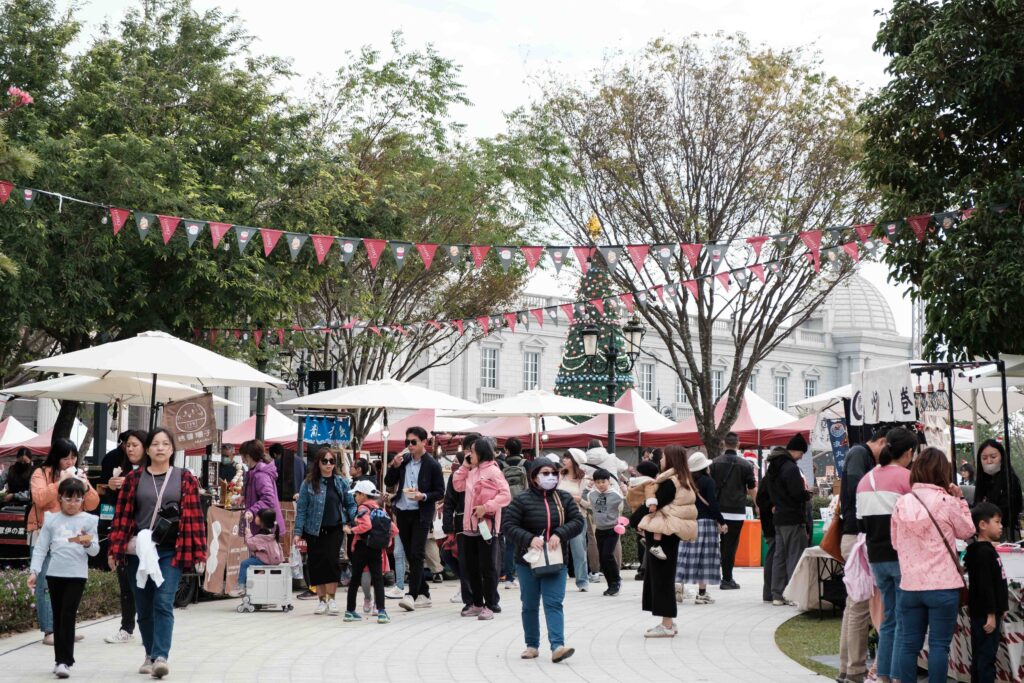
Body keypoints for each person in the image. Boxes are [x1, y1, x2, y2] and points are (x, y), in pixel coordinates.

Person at [108, 428, 207, 679]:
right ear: (148, 449)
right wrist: (115, 549)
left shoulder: (185, 478)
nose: (160, 448)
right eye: (155, 444)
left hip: (170, 550)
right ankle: (150, 653)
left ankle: (161, 656)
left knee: (163, 601)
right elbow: (122, 517)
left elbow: (196, 518)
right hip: (138, 550)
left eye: (165, 444)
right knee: (143, 604)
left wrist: (199, 554)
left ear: (172, 450)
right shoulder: (134, 478)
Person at [891, 447, 975, 683]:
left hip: (910, 585)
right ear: (942, 472)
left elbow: (896, 543)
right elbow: (968, 530)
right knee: (939, 646)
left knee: (909, 645)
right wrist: (960, 499)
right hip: (942, 585)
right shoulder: (946, 501)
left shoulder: (902, 503)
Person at [502, 458, 584, 663]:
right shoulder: (521, 500)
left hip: (556, 560)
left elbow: (578, 521)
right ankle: (531, 645)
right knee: (529, 604)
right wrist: (529, 539)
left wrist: (560, 533)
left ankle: (558, 646)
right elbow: (508, 526)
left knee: (554, 603)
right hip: (528, 562)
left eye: (554, 473)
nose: (551, 477)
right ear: (534, 477)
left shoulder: (563, 498)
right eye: (545, 473)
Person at [854, 427, 915, 683]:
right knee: (902, 619)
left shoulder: (864, 480)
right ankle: (897, 675)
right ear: (909, 452)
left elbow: (860, 523)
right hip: (901, 556)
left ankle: (884, 674)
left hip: (876, 557)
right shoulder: (907, 478)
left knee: (889, 618)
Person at [30, 439, 100, 647]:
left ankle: (65, 629)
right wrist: (61, 482)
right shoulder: (41, 473)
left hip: (70, 538)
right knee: (45, 585)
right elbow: (39, 498)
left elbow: (93, 503)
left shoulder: (77, 474)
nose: (70, 461)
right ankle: (49, 630)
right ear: (56, 457)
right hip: (45, 531)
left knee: (68, 583)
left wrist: (84, 484)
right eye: (65, 458)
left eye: (73, 457)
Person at [28, 477, 99, 679]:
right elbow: (41, 548)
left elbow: (95, 551)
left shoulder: (89, 520)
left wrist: (87, 543)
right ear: (60, 498)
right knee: (59, 616)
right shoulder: (51, 519)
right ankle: (60, 660)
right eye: (68, 499)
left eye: (77, 500)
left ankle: (64, 661)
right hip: (55, 574)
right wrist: (34, 571)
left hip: (77, 575)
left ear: (83, 500)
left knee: (68, 615)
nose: (72, 504)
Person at [837, 426, 889, 683]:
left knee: (853, 607)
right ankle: (853, 670)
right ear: (881, 441)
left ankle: (848, 669)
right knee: (858, 607)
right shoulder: (859, 454)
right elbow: (858, 492)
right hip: (857, 537)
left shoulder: (861, 455)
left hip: (855, 537)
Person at [636, 445, 698, 638]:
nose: (660, 460)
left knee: (662, 578)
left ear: (669, 459)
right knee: (663, 577)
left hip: (663, 536)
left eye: (662, 457)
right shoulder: (684, 479)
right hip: (670, 534)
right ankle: (668, 621)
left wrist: (633, 520)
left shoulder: (670, 482)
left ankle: (667, 624)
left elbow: (655, 505)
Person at [384, 426, 445, 612]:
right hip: (402, 511)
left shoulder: (432, 465)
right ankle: (424, 594)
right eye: (407, 442)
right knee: (411, 554)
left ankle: (411, 594)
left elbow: (440, 491)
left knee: (417, 553)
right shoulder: (404, 461)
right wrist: (394, 466)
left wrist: (423, 496)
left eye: (413, 442)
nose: (409, 446)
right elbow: (388, 482)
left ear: (423, 442)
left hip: (421, 513)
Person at [292, 447, 356, 616]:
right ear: (318, 463)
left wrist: (354, 521)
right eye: (325, 461)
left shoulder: (341, 481)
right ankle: (321, 601)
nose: (328, 464)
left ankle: (332, 599)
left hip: (335, 528)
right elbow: (302, 509)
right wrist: (298, 532)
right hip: (313, 530)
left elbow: (350, 503)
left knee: (332, 562)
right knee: (316, 565)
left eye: (331, 461)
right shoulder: (308, 483)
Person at [452, 437, 511, 619]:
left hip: (487, 525)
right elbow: (457, 484)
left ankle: (491, 604)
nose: (470, 454)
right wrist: (465, 466)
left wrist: (487, 507)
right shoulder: (471, 471)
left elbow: (506, 495)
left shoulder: (493, 470)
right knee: (472, 568)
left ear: (482, 452)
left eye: (473, 451)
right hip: (469, 526)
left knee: (488, 567)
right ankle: (477, 603)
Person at [102, 430, 147, 645]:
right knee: (126, 583)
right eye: (127, 445)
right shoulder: (123, 470)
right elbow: (115, 508)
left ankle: (149, 627)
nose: (130, 449)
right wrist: (112, 488)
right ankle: (126, 627)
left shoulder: (151, 472)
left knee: (147, 586)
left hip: (147, 537)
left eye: (134, 445)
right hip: (124, 534)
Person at [764, 434, 811, 606]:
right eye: (802, 453)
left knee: (780, 556)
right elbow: (797, 493)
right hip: (792, 517)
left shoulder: (773, 467)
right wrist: (807, 494)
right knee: (794, 555)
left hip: (779, 518)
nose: (802, 457)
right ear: (796, 450)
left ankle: (777, 594)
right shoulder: (790, 468)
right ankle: (792, 594)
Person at [964, 502, 1008, 683]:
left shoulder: (985, 550)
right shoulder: (982, 553)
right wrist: (991, 613)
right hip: (985, 615)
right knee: (986, 657)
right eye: (997, 522)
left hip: (988, 612)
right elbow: (985, 586)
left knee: (982, 655)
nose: (1001, 526)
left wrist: (1002, 607)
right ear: (982, 525)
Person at [677, 450, 726, 605]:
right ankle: (702, 594)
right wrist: (721, 521)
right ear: (704, 467)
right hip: (706, 524)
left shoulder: (684, 482)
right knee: (705, 558)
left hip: (688, 522)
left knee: (685, 556)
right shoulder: (708, 481)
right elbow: (713, 504)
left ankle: (678, 587)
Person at [344, 480, 396, 624]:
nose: (354, 497)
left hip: (362, 547)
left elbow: (365, 525)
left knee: (355, 579)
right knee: (378, 579)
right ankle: (381, 612)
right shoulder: (380, 509)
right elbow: (394, 530)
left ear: (362, 495)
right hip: (376, 549)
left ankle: (350, 611)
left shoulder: (362, 508)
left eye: (356, 494)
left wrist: (351, 530)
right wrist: (386, 540)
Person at [709, 432, 756, 590]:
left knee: (718, 544)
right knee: (730, 544)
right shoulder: (746, 465)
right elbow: (752, 488)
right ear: (738, 444)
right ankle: (727, 579)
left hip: (717, 509)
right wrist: (757, 505)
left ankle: (715, 575)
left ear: (723, 443)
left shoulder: (714, 463)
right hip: (736, 511)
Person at [585, 468, 624, 597]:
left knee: (607, 555)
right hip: (599, 530)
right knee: (602, 558)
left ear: (609, 481)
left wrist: (625, 489)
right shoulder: (592, 494)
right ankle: (610, 585)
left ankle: (616, 581)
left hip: (612, 529)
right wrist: (582, 495)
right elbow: (589, 505)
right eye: (598, 482)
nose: (601, 484)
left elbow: (627, 503)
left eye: (603, 481)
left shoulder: (616, 495)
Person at [974, 439, 1022, 540]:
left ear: (1002, 457)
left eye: (993, 457)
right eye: (984, 458)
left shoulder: (1010, 480)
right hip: (984, 535)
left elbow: (1009, 511)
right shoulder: (982, 481)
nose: (989, 461)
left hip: (1006, 533)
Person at [558, 449, 591, 591]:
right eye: (564, 457)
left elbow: (590, 503)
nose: (564, 460)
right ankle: (558, 579)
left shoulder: (585, 479)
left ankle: (582, 581)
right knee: (558, 549)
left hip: (577, 516)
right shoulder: (559, 476)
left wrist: (577, 499)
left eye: (567, 458)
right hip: (559, 517)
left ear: (575, 461)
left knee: (579, 549)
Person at [240, 440, 284, 537]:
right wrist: (244, 498)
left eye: (242, 456)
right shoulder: (255, 472)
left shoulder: (260, 475)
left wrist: (252, 511)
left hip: (265, 528)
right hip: (262, 526)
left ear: (248, 456)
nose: (242, 460)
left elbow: (268, 499)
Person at [500, 437, 528, 589]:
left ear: (506, 450)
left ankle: (509, 577)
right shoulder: (527, 464)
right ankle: (523, 574)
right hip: (524, 506)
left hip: (505, 506)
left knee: (509, 543)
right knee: (525, 540)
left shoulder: (500, 465)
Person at [239, 507, 284, 591]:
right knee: (252, 559)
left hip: (264, 561)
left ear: (262, 520)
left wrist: (248, 533)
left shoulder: (262, 536)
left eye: (257, 516)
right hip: (271, 560)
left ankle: (241, 586)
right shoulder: (272, 533)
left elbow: (250, 543)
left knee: (244, 564)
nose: (255, 517)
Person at [755, 466, 775, 603]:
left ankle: (769, 592)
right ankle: (769, 592)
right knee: (773, 557)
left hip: (769, 525)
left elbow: (759, 500)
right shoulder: (771, 479)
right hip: (772, 525)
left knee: (772, 557)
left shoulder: (766, 479)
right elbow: (761, 501)